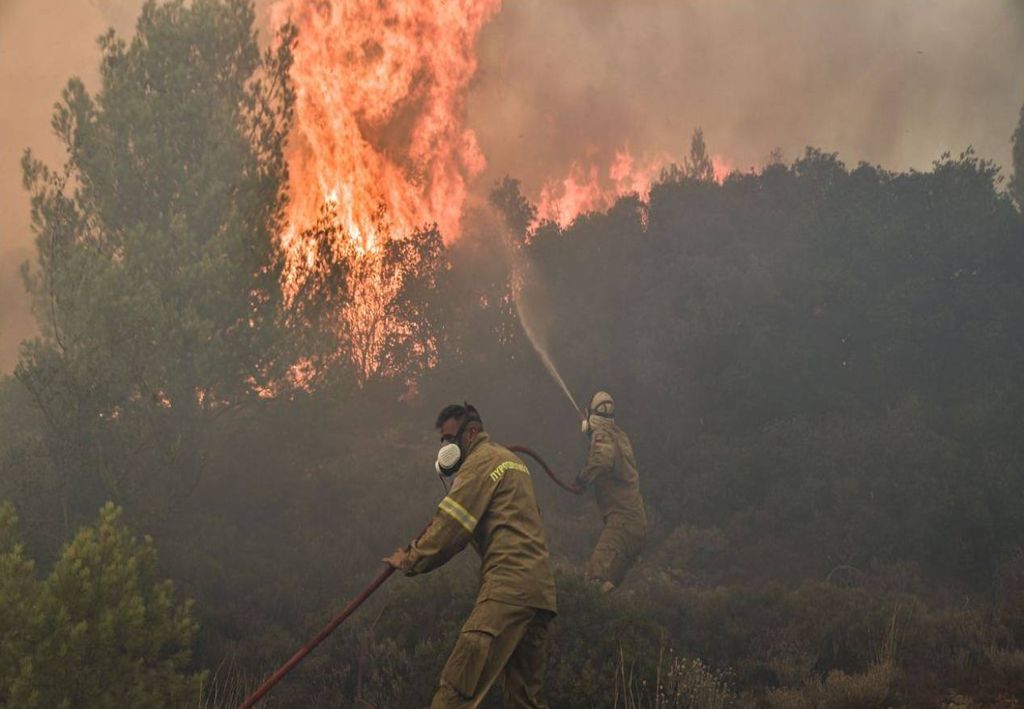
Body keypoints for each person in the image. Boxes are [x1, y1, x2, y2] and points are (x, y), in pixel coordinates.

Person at [385, 403, 557, 708]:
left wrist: (409, 559)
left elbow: (451, 528)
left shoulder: (480, 463)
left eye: (450, 438)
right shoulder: (512, 462)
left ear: (472, 433)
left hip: (507, 589)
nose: (446, 447)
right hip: (539, 594)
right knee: (524, 701)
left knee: (455, 690)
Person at [574, 391, 647, 592]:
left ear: (592, 415)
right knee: (609, 587)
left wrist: (582, 479)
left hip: (621, 523)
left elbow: (602, 460)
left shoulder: (602, 435)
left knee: (594, 580)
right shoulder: (620, 436)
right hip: (637, 527)